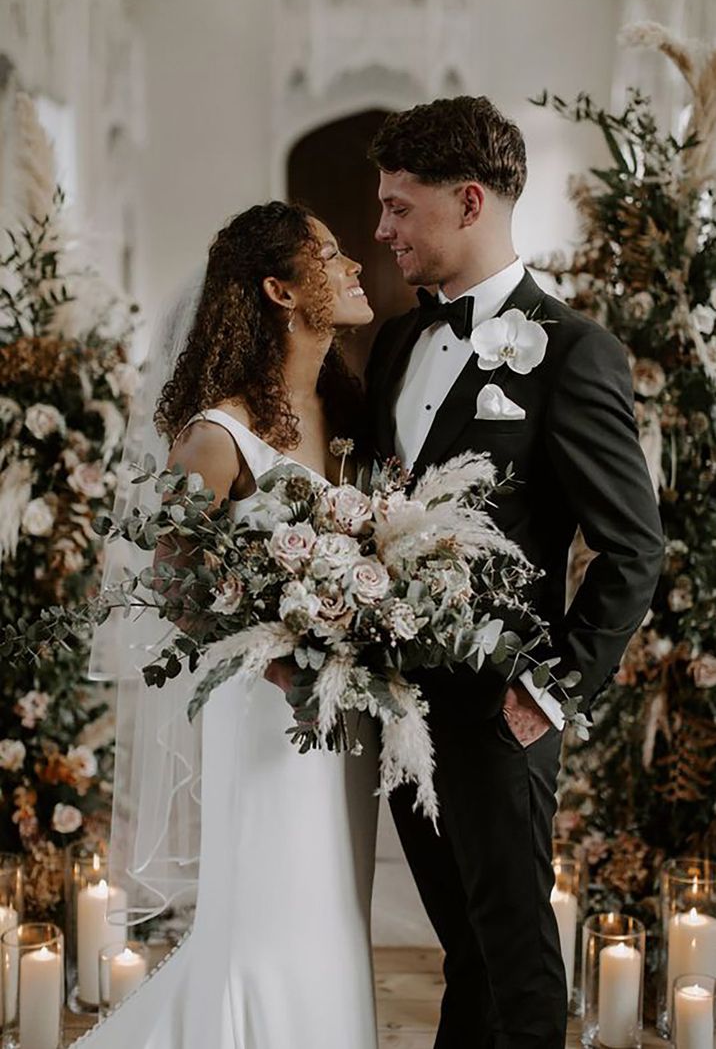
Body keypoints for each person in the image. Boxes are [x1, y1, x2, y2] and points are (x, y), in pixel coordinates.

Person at [366, 96, 664, 1049]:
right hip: (400, 706)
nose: (383, 229)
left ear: (466, 202)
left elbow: (633, 547)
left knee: (520, 960)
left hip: (502, 711)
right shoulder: (397, 345)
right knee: (467, 952)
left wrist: (551, 688)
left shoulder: (574, 353)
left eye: (399, 209)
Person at [80, 202, 379, 1049]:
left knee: (334, 905)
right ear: (281, 290)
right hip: (263, 713)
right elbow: (173, 582)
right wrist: (281, 646)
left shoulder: (349, 414)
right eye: (331, 254)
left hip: (343, 707)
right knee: (271, 909)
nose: (355, 264)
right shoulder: (217, 437)